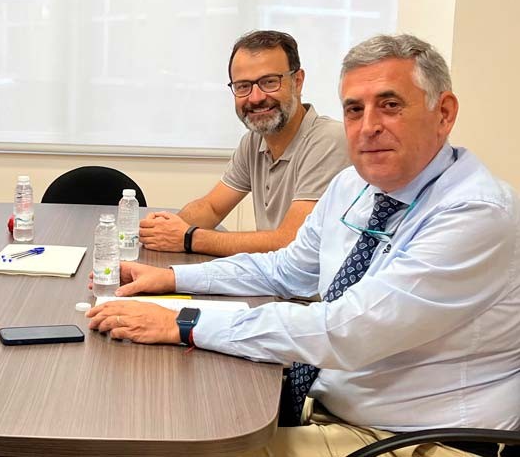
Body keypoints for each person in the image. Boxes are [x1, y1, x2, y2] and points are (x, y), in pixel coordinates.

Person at [88, 34, 520, 457]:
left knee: (169, 447)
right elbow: (282, 268)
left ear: (443, 113)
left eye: (390, 105)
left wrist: (184, 322)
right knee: (162, 411)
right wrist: (172, 277)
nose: (369, 126)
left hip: (414, 437)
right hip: (333, 402)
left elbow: (346, 329)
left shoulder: (475, 213)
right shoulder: (355, 184)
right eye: (355, 109)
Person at [140, 30, 349, 257]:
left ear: (297, 82)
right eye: (242, 86)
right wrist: (162, 228)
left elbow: (290, 241)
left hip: (311, 292)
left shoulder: (330, 140)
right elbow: (211, 208)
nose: (256, 97)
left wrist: (189, 237)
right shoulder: (254, 141)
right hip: (271, 280)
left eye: (269, 82)